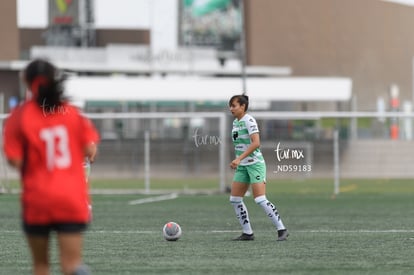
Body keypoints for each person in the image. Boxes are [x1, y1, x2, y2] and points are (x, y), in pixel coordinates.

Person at [3, 59, 99, 275]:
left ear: (25, 81)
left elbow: (14, 160)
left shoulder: (19, 116)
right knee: (72, 266)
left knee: (41, 266)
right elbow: (90, 151)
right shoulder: (72, 114)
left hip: (38, 198)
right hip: (70, 198)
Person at [228, 94, 289, 241]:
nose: (231, 109)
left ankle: (282, 229)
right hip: (243, 166)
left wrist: (239, 158)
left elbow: (256, 143)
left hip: (255, 164)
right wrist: (239, 161)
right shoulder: (236, 123)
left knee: (260, 199)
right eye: (230, 106)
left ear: (243, 106)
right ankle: (247, 233)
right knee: (235, 199)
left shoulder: (249, 120)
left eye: (234, 106)